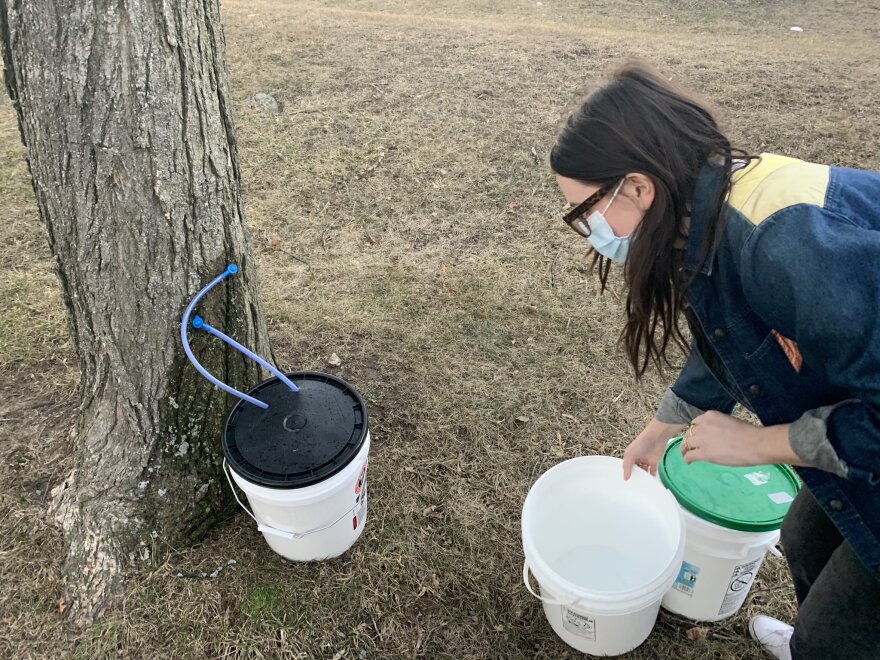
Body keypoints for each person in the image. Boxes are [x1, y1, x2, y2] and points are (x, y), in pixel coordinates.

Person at [549, 61, 880, 660]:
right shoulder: (703, 212)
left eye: (585, 212)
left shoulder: (784, 243)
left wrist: (758, 444)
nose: (588, 230)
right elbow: (731, 335)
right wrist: (659, 431)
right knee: (805, 535)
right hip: (857, 416)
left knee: (841, 633)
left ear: (638, 187)